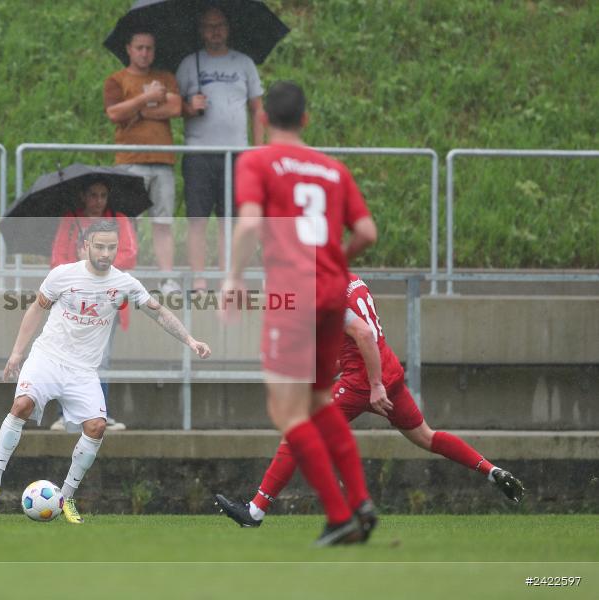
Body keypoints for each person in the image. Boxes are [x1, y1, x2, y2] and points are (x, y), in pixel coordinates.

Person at [215, 273, 526, 527]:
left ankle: (255, 511)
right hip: (386, 369)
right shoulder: (351, 279)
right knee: (426, 436)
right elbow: (354, 340)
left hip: (365, 380)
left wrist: (374, 385)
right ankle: (491, 471)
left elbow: (363, 334)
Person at [221, 81, 379, 546]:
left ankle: (340, 514)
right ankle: (361, 502)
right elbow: (367, 232)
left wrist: (233, 277)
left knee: (286, 410)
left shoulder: (257, 161)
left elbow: (250, 224)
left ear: (263, 118)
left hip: (294, 295)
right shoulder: (333, 169)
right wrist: (335, 262)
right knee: (317, 401)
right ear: (306, 119)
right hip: (331, 294)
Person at [0, 220, 211, 523]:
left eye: (111, 247)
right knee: (22, 405)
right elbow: (36, 308)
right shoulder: (63, 275)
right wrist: (17, 352)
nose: (105, 253)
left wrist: (190, 340)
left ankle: (66, 497)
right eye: (99, 246)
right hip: (47, 358)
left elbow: (159, 312)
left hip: (83, 371)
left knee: (97, 426)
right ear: (86, 245)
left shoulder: (124, 283)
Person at [176, 6, 264, 292]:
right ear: (201, 30)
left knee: (231, 219)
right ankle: (199, 279)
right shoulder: (189, 64)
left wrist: (258, 150)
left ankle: (228, 275)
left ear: (228, 28)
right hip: (198, 153)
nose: (215, 31)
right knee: (198, 219)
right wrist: (190, 107)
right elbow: (174, 106)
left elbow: (257, 108)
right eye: (209, 26)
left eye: (220, 25)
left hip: (237, 154)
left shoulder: (244, 63)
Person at [48, 179, 139, 431]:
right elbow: (57, 258)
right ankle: (66, 414)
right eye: (93, 195)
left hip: (107, 303)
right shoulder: (71, 220)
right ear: (83, 196)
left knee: (101, 359)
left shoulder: (118, 220)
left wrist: (96, 261)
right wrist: (79, 267)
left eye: (103, 195)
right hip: (75, 302)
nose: (98, 201)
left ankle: (99, 414)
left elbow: (129, 255)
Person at [104, 32, 182, 295]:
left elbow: (175, 107)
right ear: (129, 49)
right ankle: (126, 275)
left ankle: (167, 278)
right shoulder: (117, 80)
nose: (145, 53)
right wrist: (143, 100)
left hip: (163, 161)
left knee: (163, 222)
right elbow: (114, 113)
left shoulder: (165, 78)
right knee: (128, 221)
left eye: (149, 48)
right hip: (130, 160)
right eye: (140, 48)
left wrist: (139, 111)